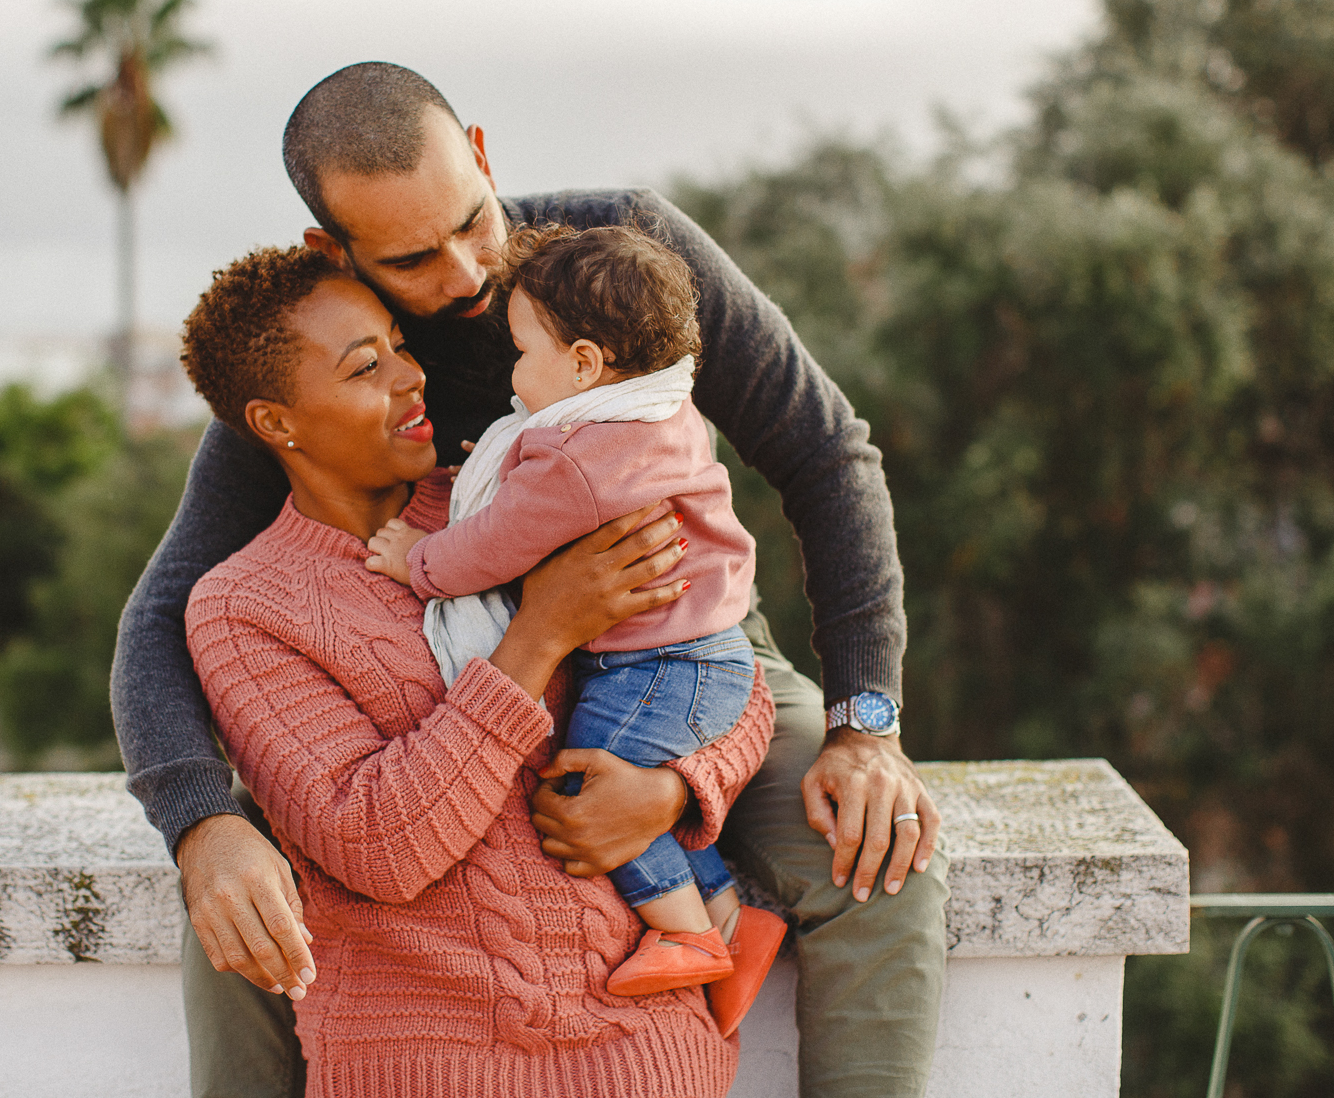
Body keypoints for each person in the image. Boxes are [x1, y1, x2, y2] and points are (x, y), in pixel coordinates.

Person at [114, 62, 950, 1098]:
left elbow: (826, 454)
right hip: (478, 670)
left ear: (479, 152)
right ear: (336, 250)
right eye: (414, 258)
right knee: (250, 898)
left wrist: (864, 723)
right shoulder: (333, 358)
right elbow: (165, 609)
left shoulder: (616, 253)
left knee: (878, 855)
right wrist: (199, 824)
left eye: (472, 222)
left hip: (680, 633)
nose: (466, 273)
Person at [179, 245, 776, 1096]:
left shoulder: (529, 495)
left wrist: (677, 788)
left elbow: (716, 662)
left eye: (397, 342)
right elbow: (379, 846)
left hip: (652, 1057)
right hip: (431, 1069)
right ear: (278, 423)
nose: (409, 375)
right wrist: (539, 633)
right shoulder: (245, 608)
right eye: (365, 366)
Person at [363, 221, 787, 1011]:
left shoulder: (574, 459)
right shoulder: (659, 412)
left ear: (586, 364)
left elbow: (491, 546)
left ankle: (686, 932)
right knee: (618, 789)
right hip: (702, 656)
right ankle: (732, 920)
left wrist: (414, 559)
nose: (513, 373)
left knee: (581, 793)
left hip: (662, 665)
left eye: (523, 353)